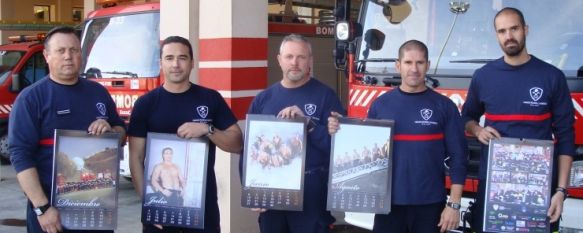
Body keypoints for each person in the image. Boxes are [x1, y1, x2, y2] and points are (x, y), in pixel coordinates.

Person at [328, 40, 468, 233]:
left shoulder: (444, 106)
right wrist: (340, 127)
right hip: (388, 206)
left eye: (420, 63)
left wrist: (454, 205)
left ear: (427, 65)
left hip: (429, 205)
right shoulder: (381, 105)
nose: (414, 69)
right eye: (408, 62)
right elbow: (366, 148)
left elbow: (458, 157)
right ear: (398, 65)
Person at [461, 7, 575, 233]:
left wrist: (560, 191)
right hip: (494, 186)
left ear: (525, 29)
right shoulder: (483, 76)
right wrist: (477, 130)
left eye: (514, 28)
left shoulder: (552, 77)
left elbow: (566, 137)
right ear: (496, 35)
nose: (508, 36)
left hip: (539, 188)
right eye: (502, 31)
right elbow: (466, 118)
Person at [8, 26, 126, 233]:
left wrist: (111, 130)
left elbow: (121, 133)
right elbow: (20, 156)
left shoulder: (98, 93)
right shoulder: (31, 99)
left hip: (95, 208)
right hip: (51, 213)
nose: (68, 57)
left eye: (73, 50)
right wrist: (42, 208)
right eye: (60, 51)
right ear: (46, 56)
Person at [128, 36, 243, 233]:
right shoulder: (145, 104)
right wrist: (150, 205)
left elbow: (237, 143)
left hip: (203, 207)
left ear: (192, 63)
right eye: (169, 58)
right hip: (160, 208)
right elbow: (136, 158)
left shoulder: (210, 98)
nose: (176, 64)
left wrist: (208, 130)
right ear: (161, 63)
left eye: (182, 58)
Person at [245, 34, 345, 233]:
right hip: (272, 193)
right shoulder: (263, 99)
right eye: (289, 56)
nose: (295, 62)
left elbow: (339, 148)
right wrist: (251, 192)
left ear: (310, 60)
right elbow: (249, 151)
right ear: (279, 60)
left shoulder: (326, 96)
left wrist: (309, 125)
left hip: (312, 194)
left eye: (301, 57)